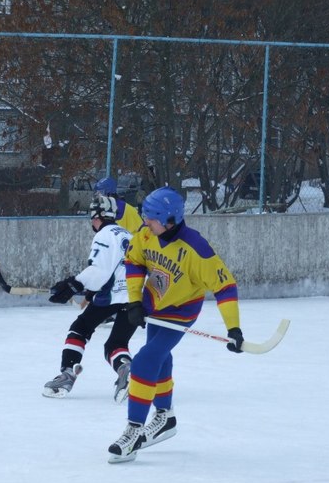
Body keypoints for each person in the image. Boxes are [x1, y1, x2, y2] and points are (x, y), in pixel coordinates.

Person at [107, 186, 245, 463]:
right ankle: (165, 416)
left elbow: (225, 286)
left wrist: (234, 328)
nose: (146, 223)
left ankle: (134, 430)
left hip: (180, 311)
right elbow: (134, 262)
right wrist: (134, 301)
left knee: (146, 359)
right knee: (160, 356)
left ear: (169, 220)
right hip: (153, 304)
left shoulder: (196, 248)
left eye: (152, 219)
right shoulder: (147, 234)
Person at [44, 195, 137, 401]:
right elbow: (118, 268)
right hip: (135, 297)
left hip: (113, 295)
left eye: (91, 216)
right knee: (116, 343)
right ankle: (126, 370)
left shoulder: (104, 235)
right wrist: (91, 290)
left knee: (80, 328)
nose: (91, 221)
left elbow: (100, 270)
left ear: (98, 216)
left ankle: (67, 374)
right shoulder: (128, 234)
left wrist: (73, 283)